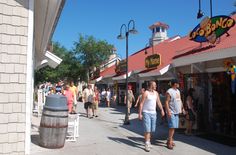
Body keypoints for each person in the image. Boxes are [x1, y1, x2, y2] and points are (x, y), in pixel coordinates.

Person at [138, 81, 165, 152]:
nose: (156, 86)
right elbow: (141, 104)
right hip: (146, 112)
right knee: (147, 129)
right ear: (151, 85)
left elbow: (158, 102)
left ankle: (148, 141)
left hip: (154, 113)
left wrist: (162, 110)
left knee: (152, 129)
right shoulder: (146, 93)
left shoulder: (156, 93)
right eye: (155, 85)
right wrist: (140, 114)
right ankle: (147, 143)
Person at [165, 79, 185, 149]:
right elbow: (167, 102)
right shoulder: (169, 91)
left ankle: (169, 139)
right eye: (177, 83)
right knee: (172, 127)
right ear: (174, 84)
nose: (179, 84)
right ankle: (170, 141)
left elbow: (180, 100)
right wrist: (168, 111)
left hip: (177, 112)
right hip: (171, 112)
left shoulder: (178, 91)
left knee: (174, 127)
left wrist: (182, 108)